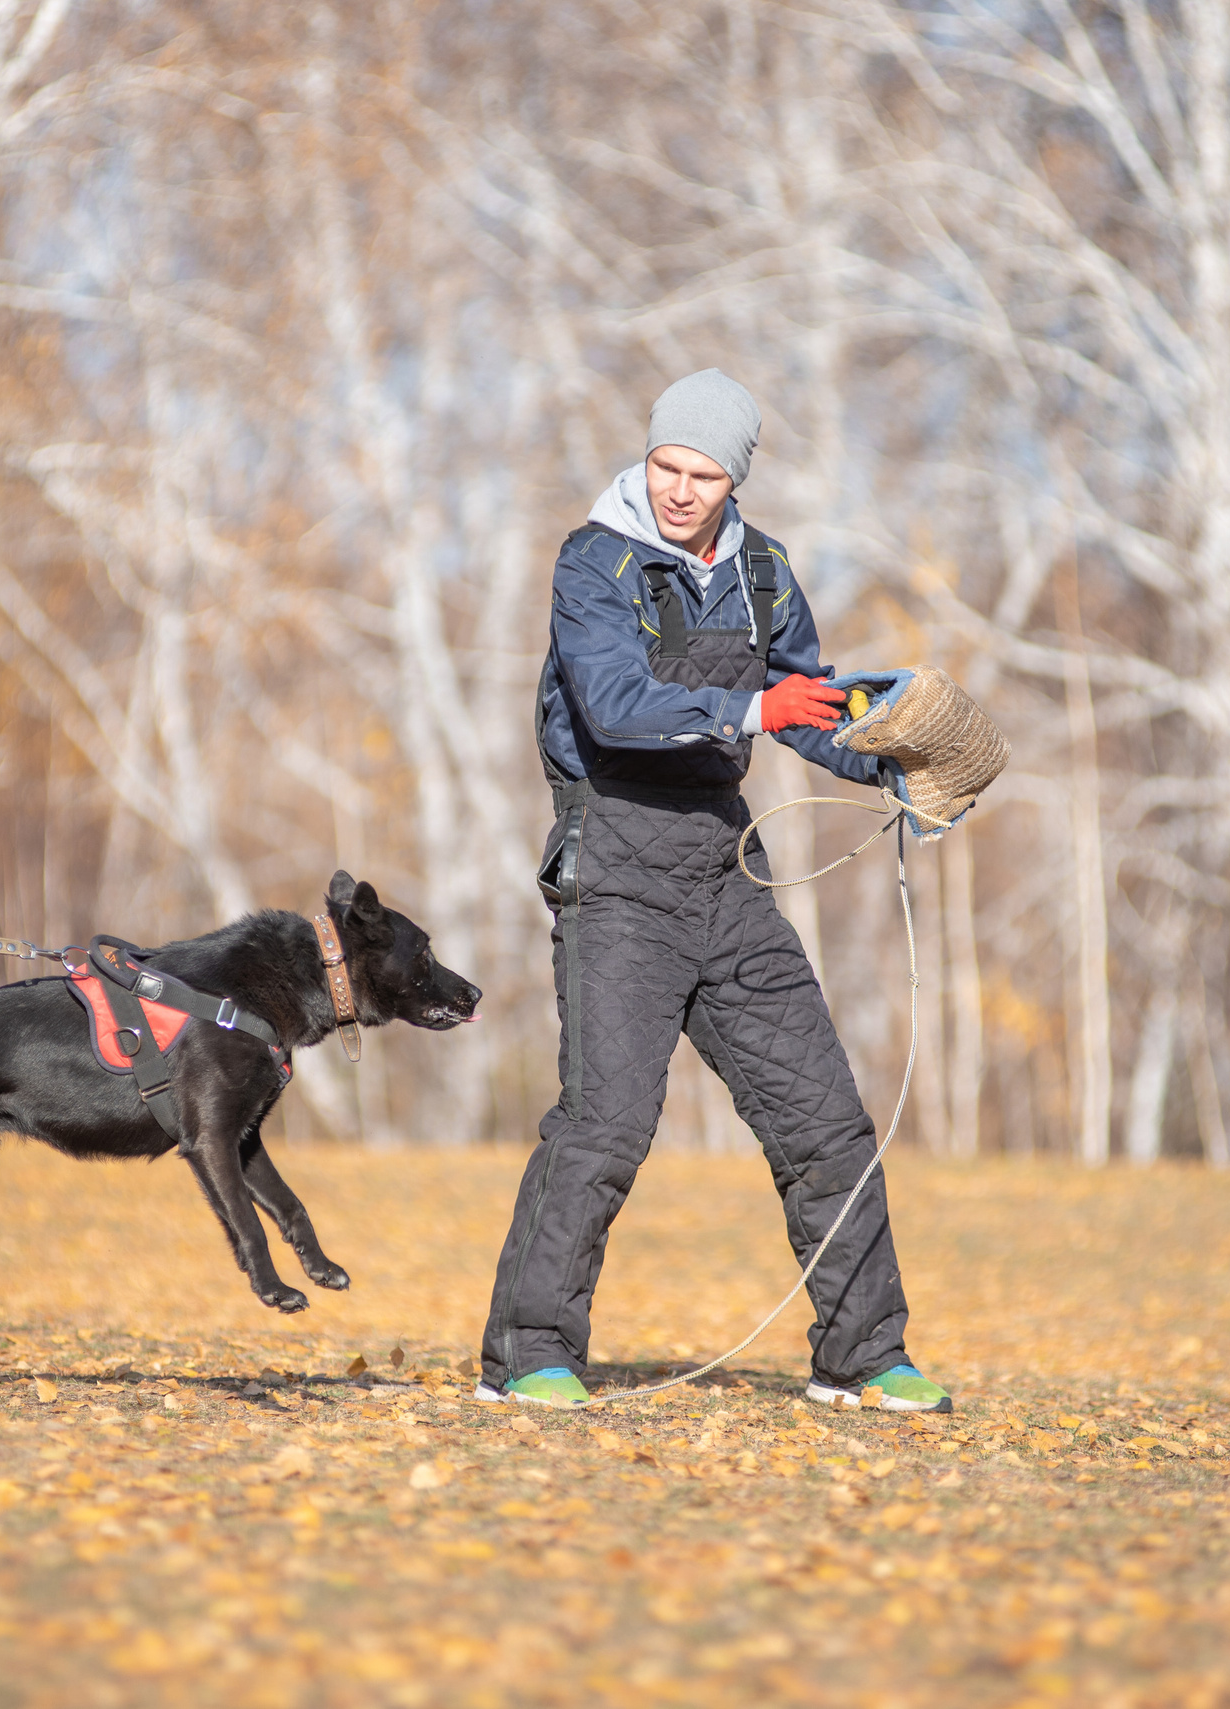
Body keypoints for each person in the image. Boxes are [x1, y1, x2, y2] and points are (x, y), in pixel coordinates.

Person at [475, 370, 950, 1413]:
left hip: (728, 876)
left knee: (825, 1121)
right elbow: (614, 705)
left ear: (735, 477)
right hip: (615, 870)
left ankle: (864, 1356)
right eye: (665, 466)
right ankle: (529, 1355)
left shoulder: (766, 572)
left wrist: (894, 760)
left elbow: (806, 706)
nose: (680, 490)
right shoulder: (592, 562)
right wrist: (757, 704)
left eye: (703, 473)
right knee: (603, 1126)